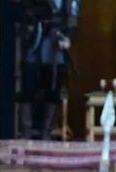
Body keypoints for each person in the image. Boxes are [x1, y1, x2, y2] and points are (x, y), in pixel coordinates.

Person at [15, 0, 78, 140]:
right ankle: (26, 130)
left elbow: (72, 19)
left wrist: (68, 37)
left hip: (56, 43)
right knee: (28, 86)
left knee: (53, 89)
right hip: (34, 39)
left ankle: (47, 131)